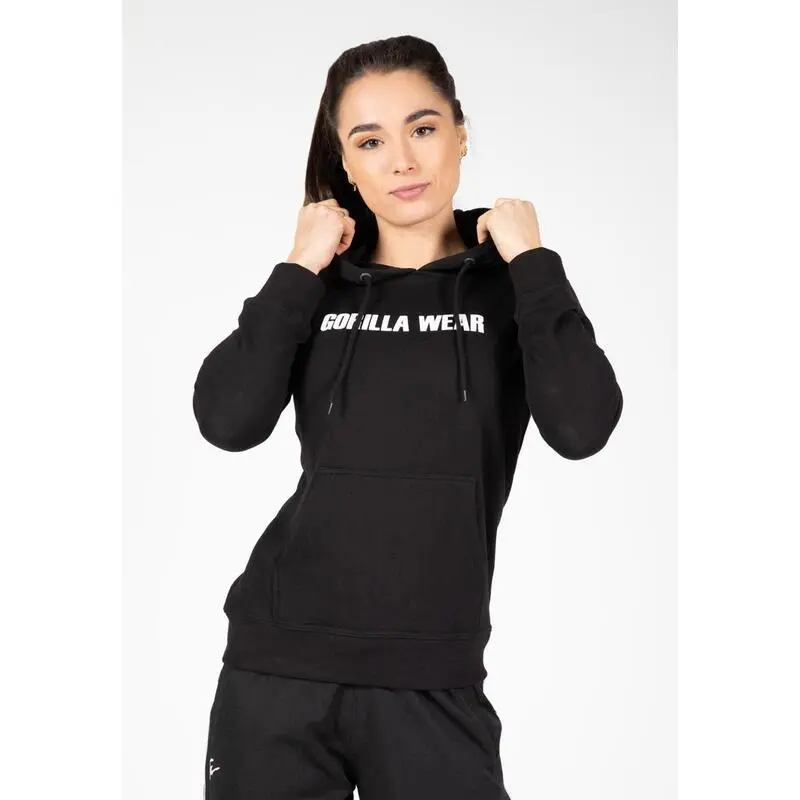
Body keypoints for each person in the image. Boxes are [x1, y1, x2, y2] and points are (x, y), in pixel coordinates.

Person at [193, 34, 623, 800]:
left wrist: (533, 263)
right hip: (277, 672)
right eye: (370, 141)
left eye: (422, 128)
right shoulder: (319, 284)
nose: (401, 160)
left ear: (461, 132)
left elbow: (583, 426)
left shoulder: (511, 287)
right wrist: (297, 266)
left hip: (433, 678)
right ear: (345, 162)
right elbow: (228, 420)